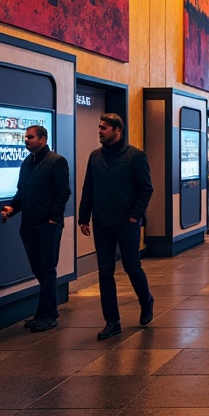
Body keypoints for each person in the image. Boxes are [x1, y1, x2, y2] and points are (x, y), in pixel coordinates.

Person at [78, 113, 155, 340]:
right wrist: (84, 217)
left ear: (117, 131)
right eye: (99, 127)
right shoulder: (95, 157)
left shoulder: (135, 156)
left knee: (132, 267)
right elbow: (88, 189)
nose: (100, 131)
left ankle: (146, 300)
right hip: (102, 222)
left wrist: (135, 216)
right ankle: (112, 321)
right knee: (105, 272)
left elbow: (146, 188)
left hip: (126, 222)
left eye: (104, 128)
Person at [0, 125, 71, 332]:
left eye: (30, 137)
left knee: (47, 269)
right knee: (38, 269)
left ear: (43, 139)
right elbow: (22, 193)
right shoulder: (26, 164)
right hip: (29, 226)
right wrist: (11, 209)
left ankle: (45, 315)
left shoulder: (56, 161)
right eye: (25, 137)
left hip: (48, 226)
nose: (26, 140)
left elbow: (63, 192)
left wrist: (53, 219)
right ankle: (51, 311)